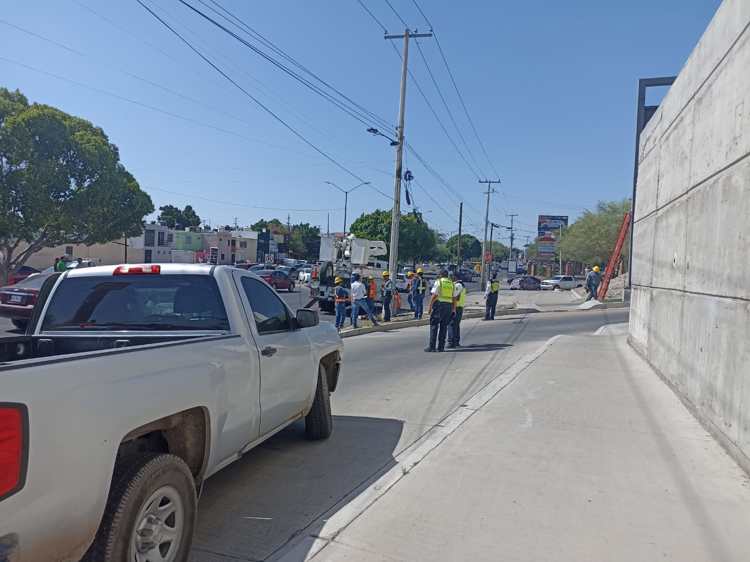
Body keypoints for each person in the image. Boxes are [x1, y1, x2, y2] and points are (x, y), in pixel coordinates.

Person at [425, 269, 456, 352]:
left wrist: (430, 306)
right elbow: (454, 298)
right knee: (444, 326)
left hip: (439, 305)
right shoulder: (451, 283)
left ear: (441, 275)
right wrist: (453, 309)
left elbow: (434, 295)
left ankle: (432, 347)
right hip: (449, 306)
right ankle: (441, 347)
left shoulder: (439, 282)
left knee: (434, 325)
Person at [448, 272, 466, 348]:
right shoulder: (461, 285)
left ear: (455, 277)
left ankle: (451, 342)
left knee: (452, 324)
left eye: (452, 276)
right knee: (456, 325)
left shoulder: (458, 285)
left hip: (456, 307)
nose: (451, 278)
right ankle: (456, 341)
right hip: (459, 307)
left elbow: (455, 296)